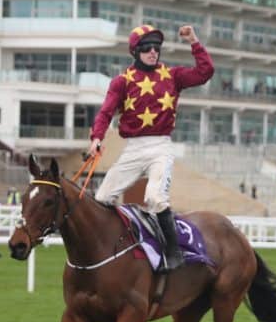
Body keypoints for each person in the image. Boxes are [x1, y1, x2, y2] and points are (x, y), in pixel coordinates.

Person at [88, 23, 214, 272]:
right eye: (147, 48)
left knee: (155, 198)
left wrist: (194, 41)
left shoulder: (173, 75)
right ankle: (121, 245)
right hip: (133, 149)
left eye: (156, 47)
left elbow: (205, 71)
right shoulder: (122, 81)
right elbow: (106, 111)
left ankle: (173, 252)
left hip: (160, 147)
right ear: (135, 51)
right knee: (102, 198)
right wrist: (96, 137)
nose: (153, 51)